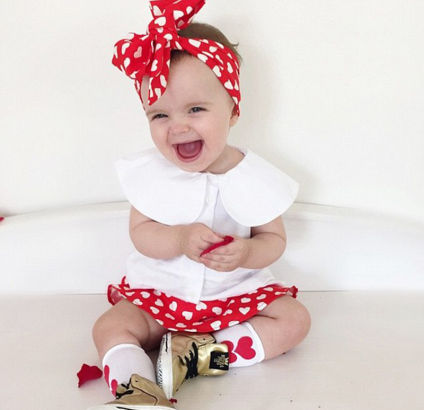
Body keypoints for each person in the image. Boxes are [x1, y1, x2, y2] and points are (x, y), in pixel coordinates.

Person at [89, 1, 311, 409]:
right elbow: (141, 234)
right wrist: (178, 239)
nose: (178, 126)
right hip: (159, 297)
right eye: (159, 115)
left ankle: (199, 355)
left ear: (233, 110)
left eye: (195, 109)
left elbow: (273, 239)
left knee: (295, 321)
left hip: (233, 299)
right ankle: (136, 387)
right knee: (110, 325)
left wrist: (247, 252)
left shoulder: (254, 176)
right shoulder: (151, 175)